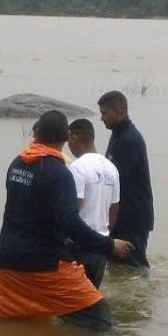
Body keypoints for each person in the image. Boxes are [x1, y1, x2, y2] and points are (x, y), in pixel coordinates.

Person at [0, 110, 133, 331]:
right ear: (66, 138)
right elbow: (70, 223)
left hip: (6, 261)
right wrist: (109, 245)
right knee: (100, 320)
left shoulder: (17, 164)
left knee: (18, 326)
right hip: (44, 263)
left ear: (35, 133)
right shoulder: (59, 174)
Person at [98, 90, 154, 268]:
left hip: (132, 219)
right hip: (123, 216)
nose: (101, 118)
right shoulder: (118, 134)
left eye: (104, 113)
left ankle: (141, 296)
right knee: (118, 269)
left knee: (133, 269)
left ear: (117, 110)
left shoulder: (128, 139)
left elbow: (116, 183)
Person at [66, 118, 121, 288]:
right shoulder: (111, 168)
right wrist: (106, 235)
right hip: (101, 244)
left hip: (78, 245)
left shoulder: (77, 167)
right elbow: (114, 208)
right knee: (92, 295)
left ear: (73, 137)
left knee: (71, 301)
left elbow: (74, 207)